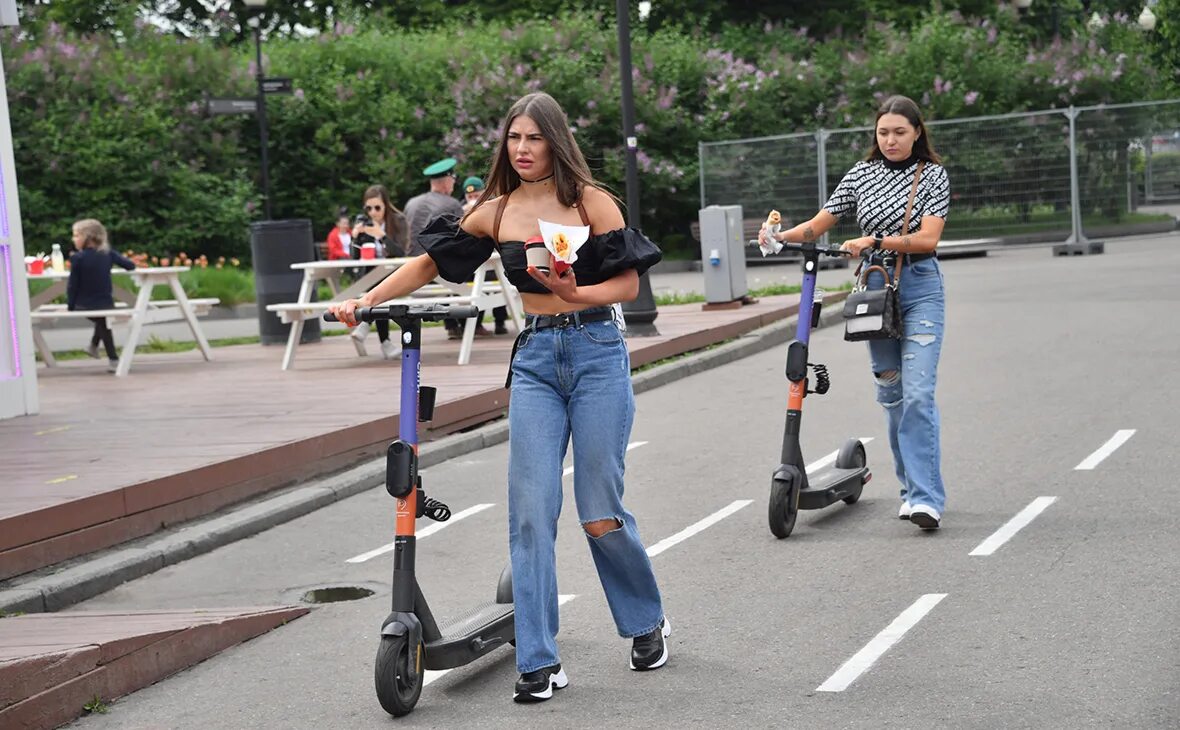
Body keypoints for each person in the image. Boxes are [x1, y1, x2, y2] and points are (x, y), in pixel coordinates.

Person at [330, 91, 670, 703]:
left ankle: (646, 622)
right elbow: (429, 263)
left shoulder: (591, 203)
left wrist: (575, 292)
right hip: (537, 358)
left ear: (556, 142)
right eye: (514, 139)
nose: (523, 150)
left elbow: (626, 281)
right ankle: (539, 662)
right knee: (531, 513)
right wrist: (367, 300)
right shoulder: (497, 208)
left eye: (534, 139)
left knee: (598, 509)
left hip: (597, 353)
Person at [760, 94, 950, 530]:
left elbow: (928, 240)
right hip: (875, 292)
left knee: (918, 395)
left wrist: (875, 241)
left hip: (920, 289)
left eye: (900, 132)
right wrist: (777, 237)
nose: (890, 140)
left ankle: (925, 497)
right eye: (883, 132)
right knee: (892, 395)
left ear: (917, 132)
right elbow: (818, 223)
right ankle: (910, 489)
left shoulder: (933, 176)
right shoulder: (861, 175)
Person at [404, 158, 469, 339]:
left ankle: (451, 326)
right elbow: (464, 238)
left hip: (412, 270)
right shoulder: (452, 204)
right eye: (453, 179)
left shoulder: (411, 203)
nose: (454, 183)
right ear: (447, 181)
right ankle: (465, 325)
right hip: (439, 269)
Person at [67, 219, 136, 373]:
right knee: (104, 320)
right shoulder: (108, 253)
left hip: (83, 305)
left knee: (103, 320)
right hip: (105, 303)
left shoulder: (78, 258)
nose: (74, 239)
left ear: (88, 237)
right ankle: (109, 356)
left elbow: (72, 285)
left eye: (77, 235)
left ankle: (101, 351)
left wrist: (70, 306)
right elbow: (130, 265)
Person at [350, 185, 408, 360]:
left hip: (394, 274)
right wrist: (354, 238)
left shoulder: (398, 221)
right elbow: (354, 259)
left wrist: (382, 236)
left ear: (386, 205)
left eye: (377, 207)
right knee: (377, 289)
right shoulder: (364, 224)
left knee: (380, 289)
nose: (373, 212)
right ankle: (386, 344)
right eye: (369, 208)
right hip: (369, 277)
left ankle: (366, 324)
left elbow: (401, 252)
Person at [462, 175, 509, 335]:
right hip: (473, 261)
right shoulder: (461, 210)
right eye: (470, 196)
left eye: (476, 196)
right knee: (474, 284)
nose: (473, 199)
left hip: (494, 259)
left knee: (497, 278)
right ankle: (473, 325)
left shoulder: (493, 208)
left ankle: (500, 322)